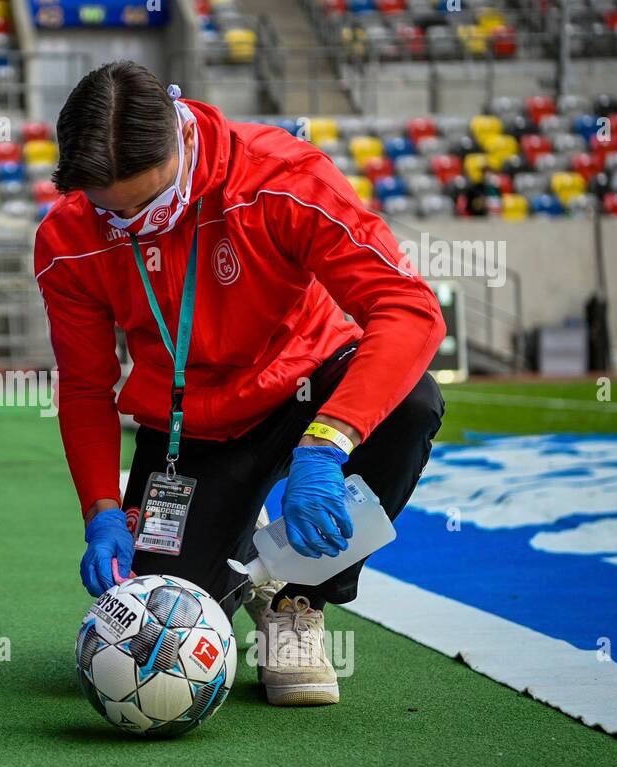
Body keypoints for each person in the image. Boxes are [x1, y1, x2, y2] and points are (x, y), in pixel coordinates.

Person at [34, 62, 445, 706]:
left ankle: (295, 601)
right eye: (112, 210)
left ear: (180, 141)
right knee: (156, 639)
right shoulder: (67, 239)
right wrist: (102, 510)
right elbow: (85, 387)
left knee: (412, 404)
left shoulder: (281, 178)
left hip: (306, 392)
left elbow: (408, 309)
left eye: (147, 203)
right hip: (185, 430)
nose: (133, 224)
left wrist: (328, 444)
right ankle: (239, 556)